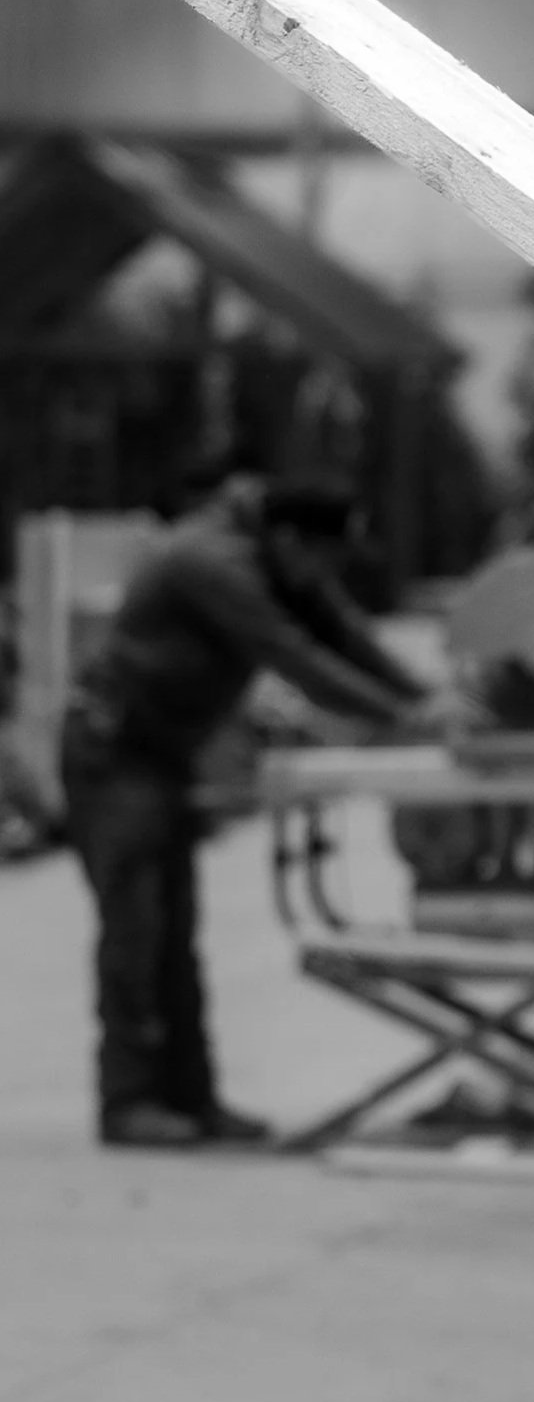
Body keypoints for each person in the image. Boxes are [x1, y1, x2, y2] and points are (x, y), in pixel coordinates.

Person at [63, 472, 430, 1147]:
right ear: (290, 539)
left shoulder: (273, 552)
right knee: (137, 932)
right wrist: (405, 717)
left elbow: (341, 630)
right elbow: (293, 655)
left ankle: (192, 1100)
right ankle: (129, 1102)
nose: (327, 576)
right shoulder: (211, 562)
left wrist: (426, 699)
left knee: (176, 936)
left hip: (161, 754)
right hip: (115, 753)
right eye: (324, 560)